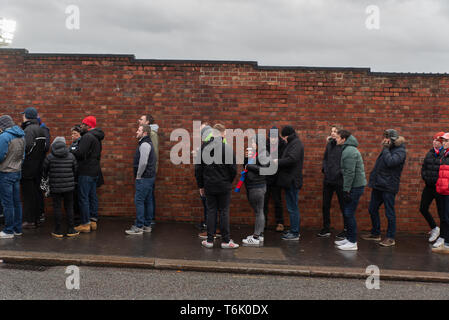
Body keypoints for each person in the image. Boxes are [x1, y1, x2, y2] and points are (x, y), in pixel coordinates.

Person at [195, 123, 238, 249]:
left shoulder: (204, 148)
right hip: (224, 185)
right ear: (222, 134)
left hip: (209, 185)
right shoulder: (227, 148)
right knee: (224, 211)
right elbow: (233, 169)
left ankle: (209, 240)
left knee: (211, 211)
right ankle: (226, 241)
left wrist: (201, 185)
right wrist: (228, 181)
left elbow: (198, 169)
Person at [362, 129, 406, 247]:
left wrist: (386, 149)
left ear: (392, 140)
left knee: (389, 213)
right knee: (372, 208)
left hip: (389, 186)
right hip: (379, 185)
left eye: (387, 138)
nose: (384, 140)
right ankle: (376, 233)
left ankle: (391, 238)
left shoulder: (400, 150)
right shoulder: (388, 149)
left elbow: (391, 162)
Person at [333, 130, 367, 251]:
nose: (335, 139)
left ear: (343, 139)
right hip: (354, 186)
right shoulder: (347, 149)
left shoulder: (349, 151)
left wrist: (346, 190)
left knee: (348, 213)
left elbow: (349, 173)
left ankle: (352, 242)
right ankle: (349, 238)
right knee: (348, 213)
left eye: (337, 137)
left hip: (355, 187)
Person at [72, 116, 104, 233]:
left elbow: (80, 153)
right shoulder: (97, 137)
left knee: (83, 197)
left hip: (86, 171)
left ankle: (85, 224)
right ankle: (93, 220)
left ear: (88, 126)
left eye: (83, 124)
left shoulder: (87, 137)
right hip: (95, 171)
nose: (81, 126)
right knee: (92, 196)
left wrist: (70, 151)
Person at [42, 137, 79, 238]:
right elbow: (75, 170)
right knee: (69, 207)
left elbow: (44, 171)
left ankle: (58, 230)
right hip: (69, 187)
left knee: (57, 208)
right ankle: (71, 229)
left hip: (55, 186)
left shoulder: (50, 157)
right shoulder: (71, 156)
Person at [125, 125, 156, 235]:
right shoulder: (148, 143)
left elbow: (143, 162)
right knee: (148, 201)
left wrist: (138, 175)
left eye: (139, 130)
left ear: (144, 133)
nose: (136, 131)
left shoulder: (144, 144)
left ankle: (139, 227)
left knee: (139, 201)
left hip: (144, 178)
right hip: (149, 177)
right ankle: (146, 226)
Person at [275, 126, 304, 241]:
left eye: (284, 137)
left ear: (286, 135)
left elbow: (292, 159)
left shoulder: (295, 144)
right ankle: (293, 230)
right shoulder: (293, 143)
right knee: (291, 207)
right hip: (289, 180)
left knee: (293, 207)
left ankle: (295, 232)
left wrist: (277, 161)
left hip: (292, 181)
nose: (284, 140)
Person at [20, 107, 47, 229]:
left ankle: (29, 220)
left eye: (23, 115)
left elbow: (27, 147)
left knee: (28, 195)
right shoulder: (41, 130)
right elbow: (45, 147)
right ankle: (36, 218)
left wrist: (23, 159)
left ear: (27, 116)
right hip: (38, 167)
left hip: (28, 168)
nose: (22, 117)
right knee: (36, 193)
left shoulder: (29, 130)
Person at [318, 125, 346, 238]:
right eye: (332, 131)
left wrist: (338, 173)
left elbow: (345, 163)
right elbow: (325, 158)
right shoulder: (329, 145)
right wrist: (325, 169)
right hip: (328, 180)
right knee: (325, 204)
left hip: (339, 180)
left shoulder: (344, 146)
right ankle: (326, 228)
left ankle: (346, 229)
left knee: (343, 205)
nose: (333, 133)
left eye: (335, 131)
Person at [241, 135, 269, 246]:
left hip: (257, 186)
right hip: (253, 185)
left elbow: (264, 170)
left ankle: (256, 237)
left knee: (258, 211)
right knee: (259, 210)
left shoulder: (264, 154)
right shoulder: (256, 153)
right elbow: (245, 166)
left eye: (253, 142)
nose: (252, 145)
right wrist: (246, 158)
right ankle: (260, 235)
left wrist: (249, 166)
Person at [0, 115, 25, 239]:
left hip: (5, 173)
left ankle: (8, 230)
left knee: (7, 203)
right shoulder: (22, 136)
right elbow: (23, 156)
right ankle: (17, 229)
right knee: (16, 202)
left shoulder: (4, 137)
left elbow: (0, 156)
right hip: (17, 171)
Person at [420, 132, 445, 245]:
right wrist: (425, 177)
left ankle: (443, 237)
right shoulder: (430, 153)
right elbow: (424, 167)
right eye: (434, 140)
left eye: (437, 140)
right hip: (429, 187)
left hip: (440, 188)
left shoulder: (445, 154)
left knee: (442, 213)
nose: (434, 142)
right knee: (423, 208)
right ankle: (435, 228)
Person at [138, 114, 159, 225]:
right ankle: (147, 220)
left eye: (141, 119)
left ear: (147, 122)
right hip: (148, 171)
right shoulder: (148, 133)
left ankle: (148, 220)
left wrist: (151, 171)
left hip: (148, 172)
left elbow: (153, 154)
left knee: (148, 196)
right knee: (147, 196)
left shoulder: (152, 134)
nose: (139, 121)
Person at [263, 126, 286, 232]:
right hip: (266, 177)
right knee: (264, 202)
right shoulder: (265, 145)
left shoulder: (283, 145)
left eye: (275, 137)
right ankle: (263, 223)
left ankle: (280, 223)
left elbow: (283, 160)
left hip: (277, 177)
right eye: (271, 137)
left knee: (278, 201)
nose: (273, 139)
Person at [433, 132, 449, 254]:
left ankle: (448, 245)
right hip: (442, 190)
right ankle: (444, 240)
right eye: (443, 141)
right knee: (443, 216)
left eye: (446, 141)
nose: (444, 143)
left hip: (447, 191)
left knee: (447, 217)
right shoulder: (444, 154)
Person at [37, 116, 51, 223]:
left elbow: (46, 146)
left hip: (39, 163)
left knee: (38, 189)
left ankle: (40, 213)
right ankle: (39, 213)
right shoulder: (42, 128)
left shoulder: (43, 129)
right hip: (38, 163)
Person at [70, 125, 82, 226]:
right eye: (72, 134)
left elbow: (75, 155)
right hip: (74, 173)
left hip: (77, 173)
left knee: (77, 195)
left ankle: (78, 216)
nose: (72, 136)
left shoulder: (79, 143)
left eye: (75, 134)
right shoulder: (73, 143)